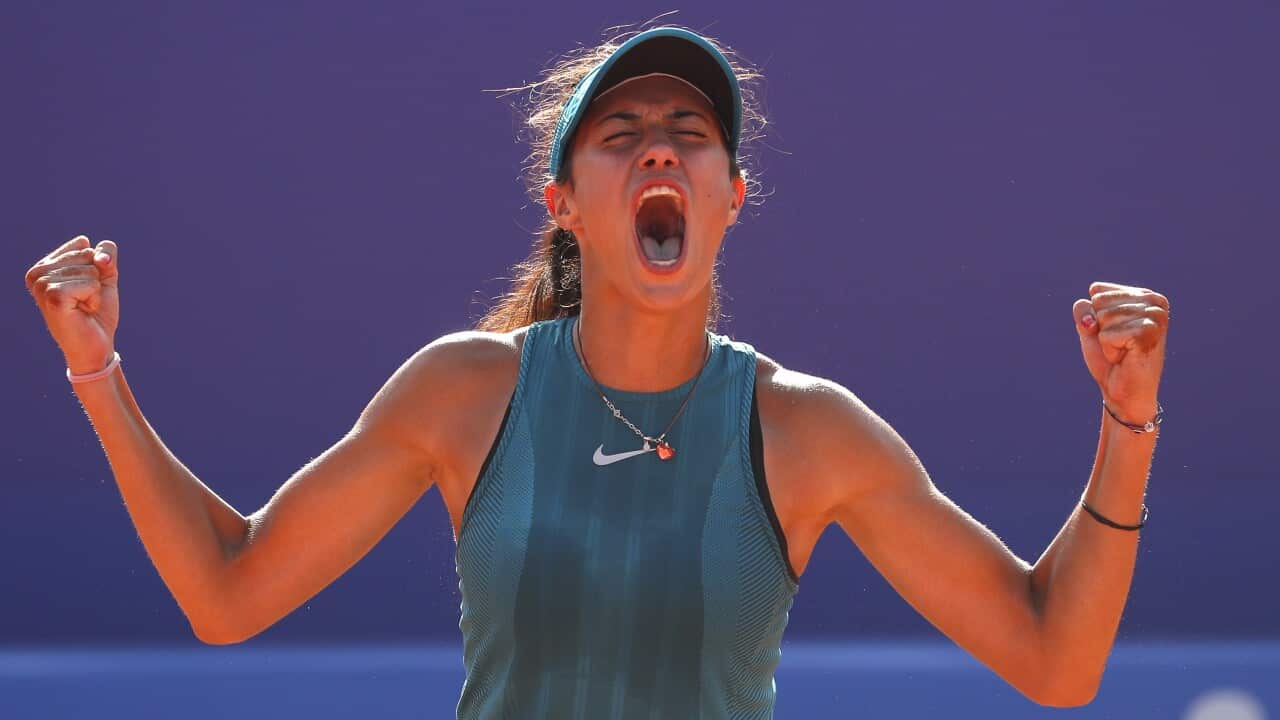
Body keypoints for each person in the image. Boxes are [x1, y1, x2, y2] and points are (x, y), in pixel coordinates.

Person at [24, 24, 1171, 719]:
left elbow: (1053, 659)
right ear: (564, 208)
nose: (660, 143)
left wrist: (1126, 428)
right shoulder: (464, 393)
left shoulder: (807, 433)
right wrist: (98, 375)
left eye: (689, 130)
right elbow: (226, 594)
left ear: (729, 196)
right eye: (620, 135)